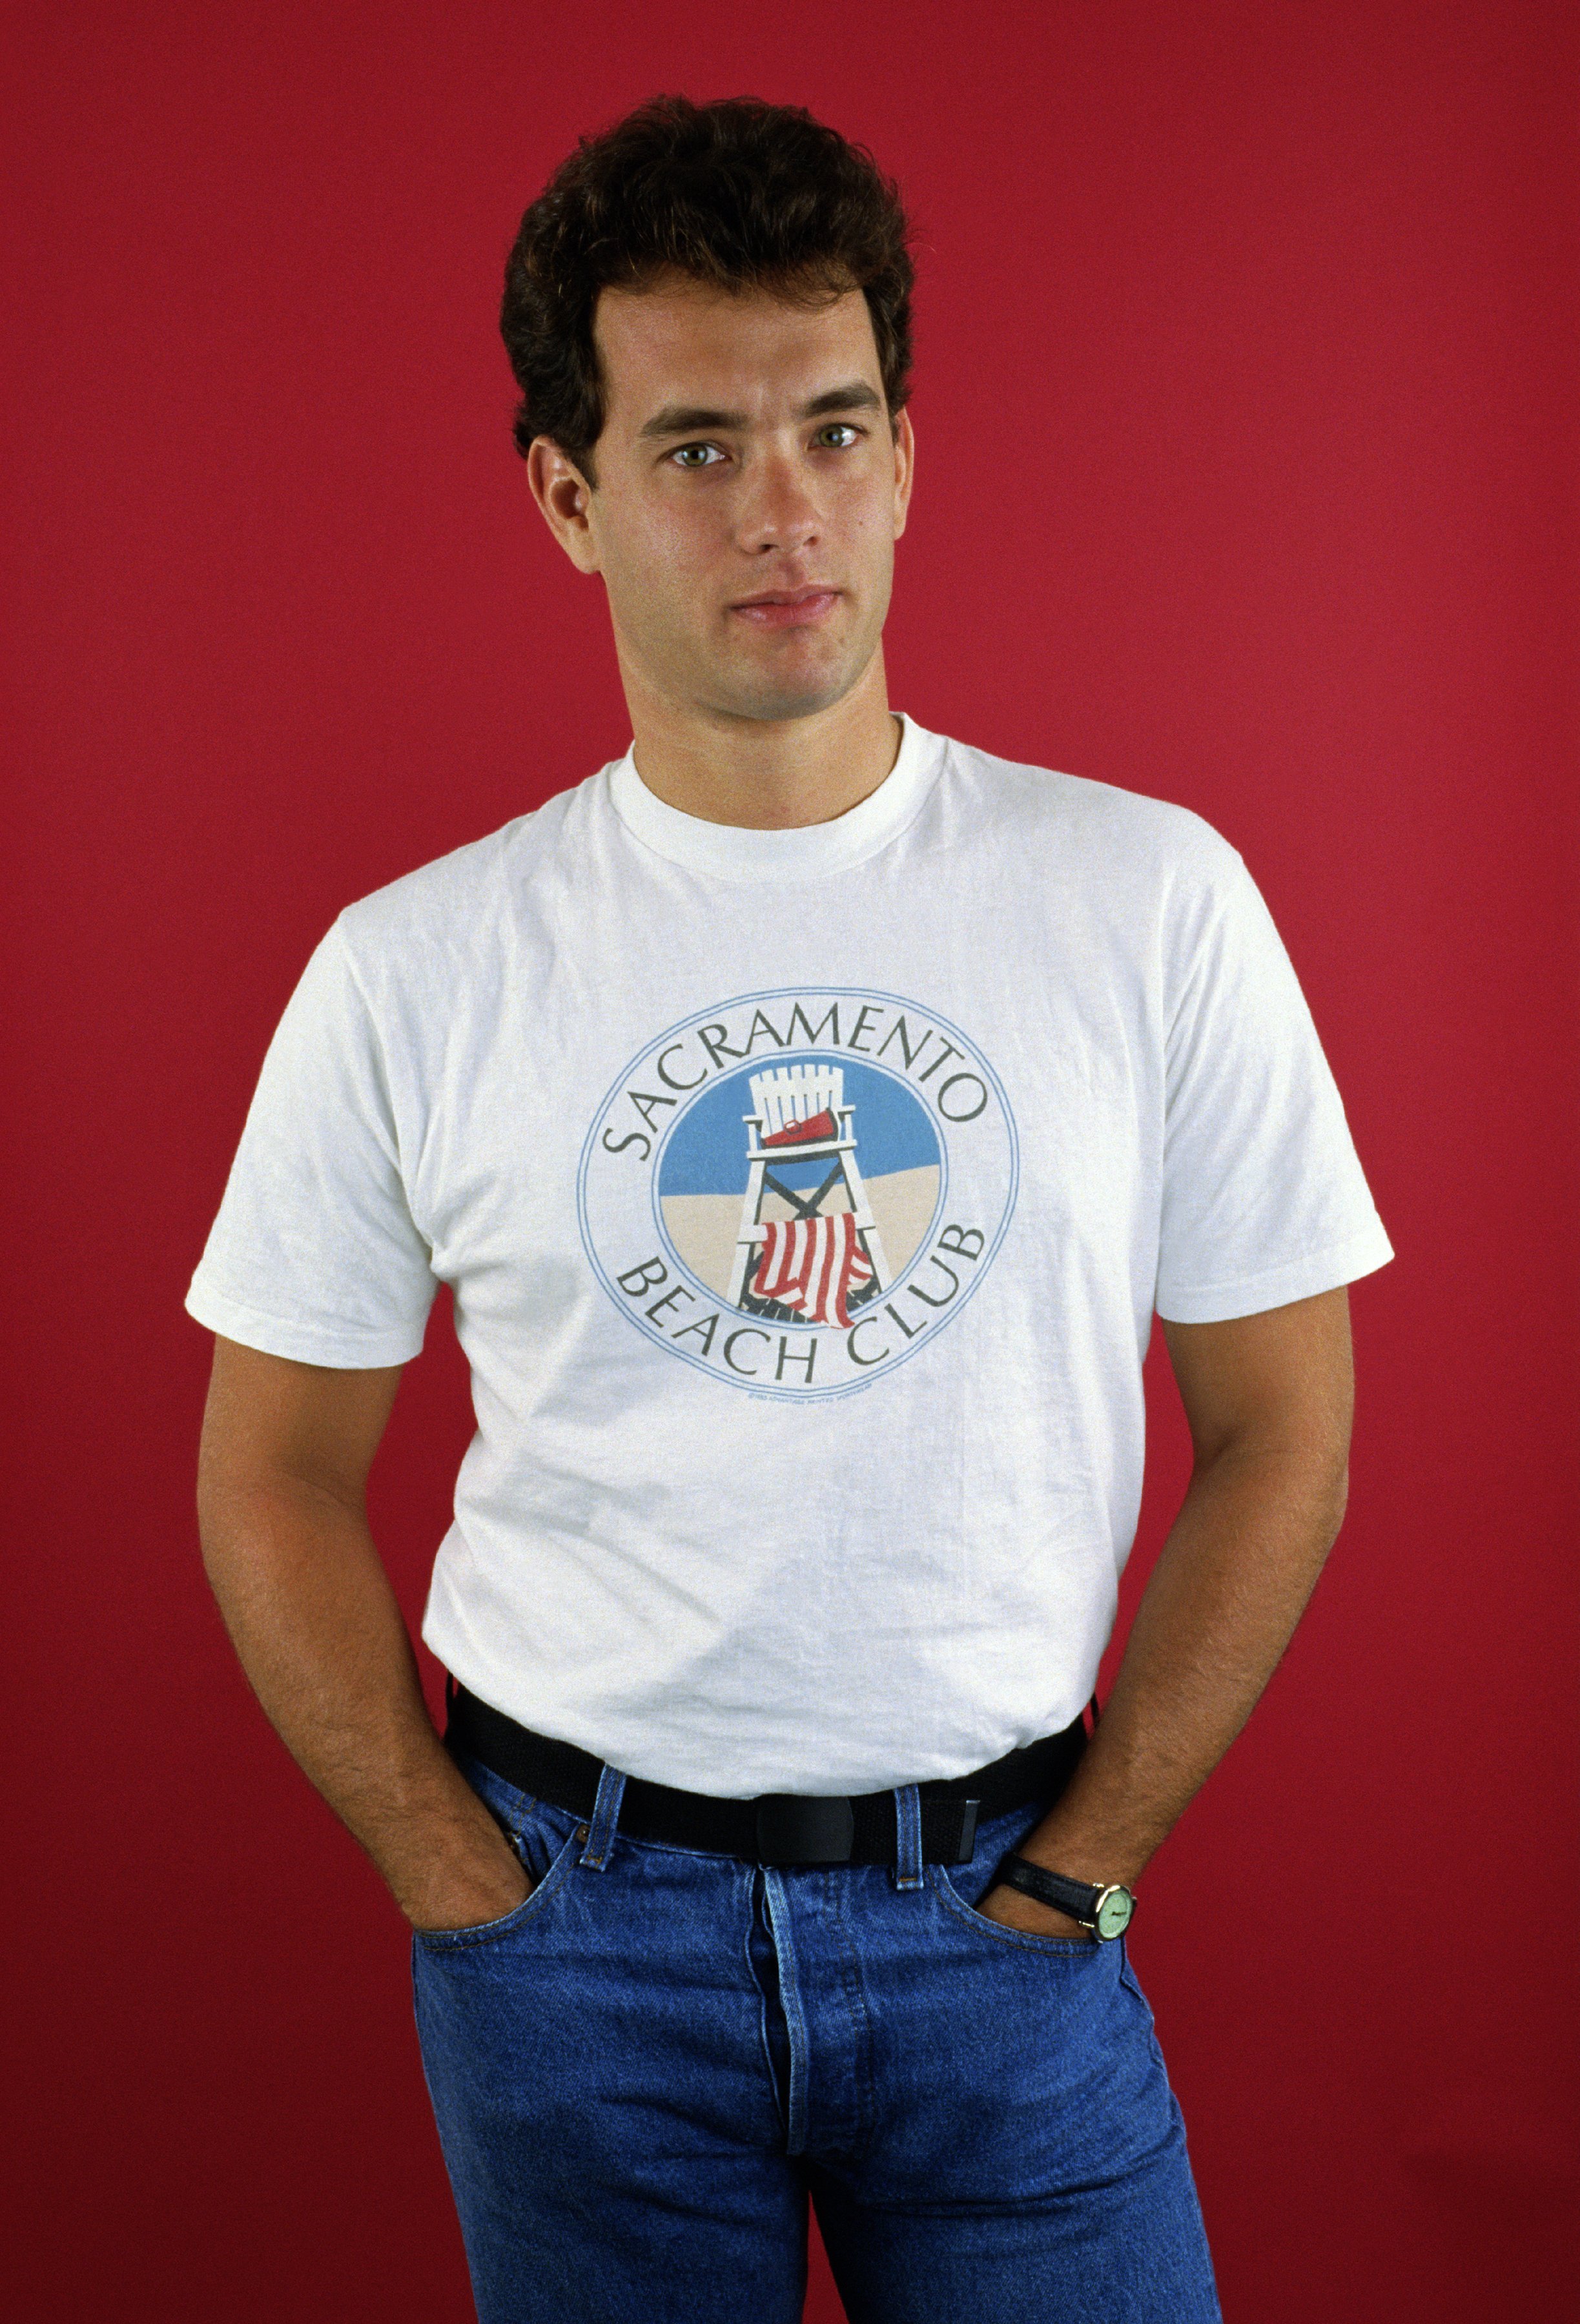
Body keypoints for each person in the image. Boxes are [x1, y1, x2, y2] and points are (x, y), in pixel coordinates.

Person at [186, 93, 1393, 2324]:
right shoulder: (418, 965)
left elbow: (1289, 1428)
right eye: (698, 449)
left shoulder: (1147, 902)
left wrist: (1095, 1859)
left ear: (910, 456)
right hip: (577, 1944)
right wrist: (462, 1887)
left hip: (1010, 1926)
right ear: (570, 495)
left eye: (836, 430)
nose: (787, 512)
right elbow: (267, 1474)